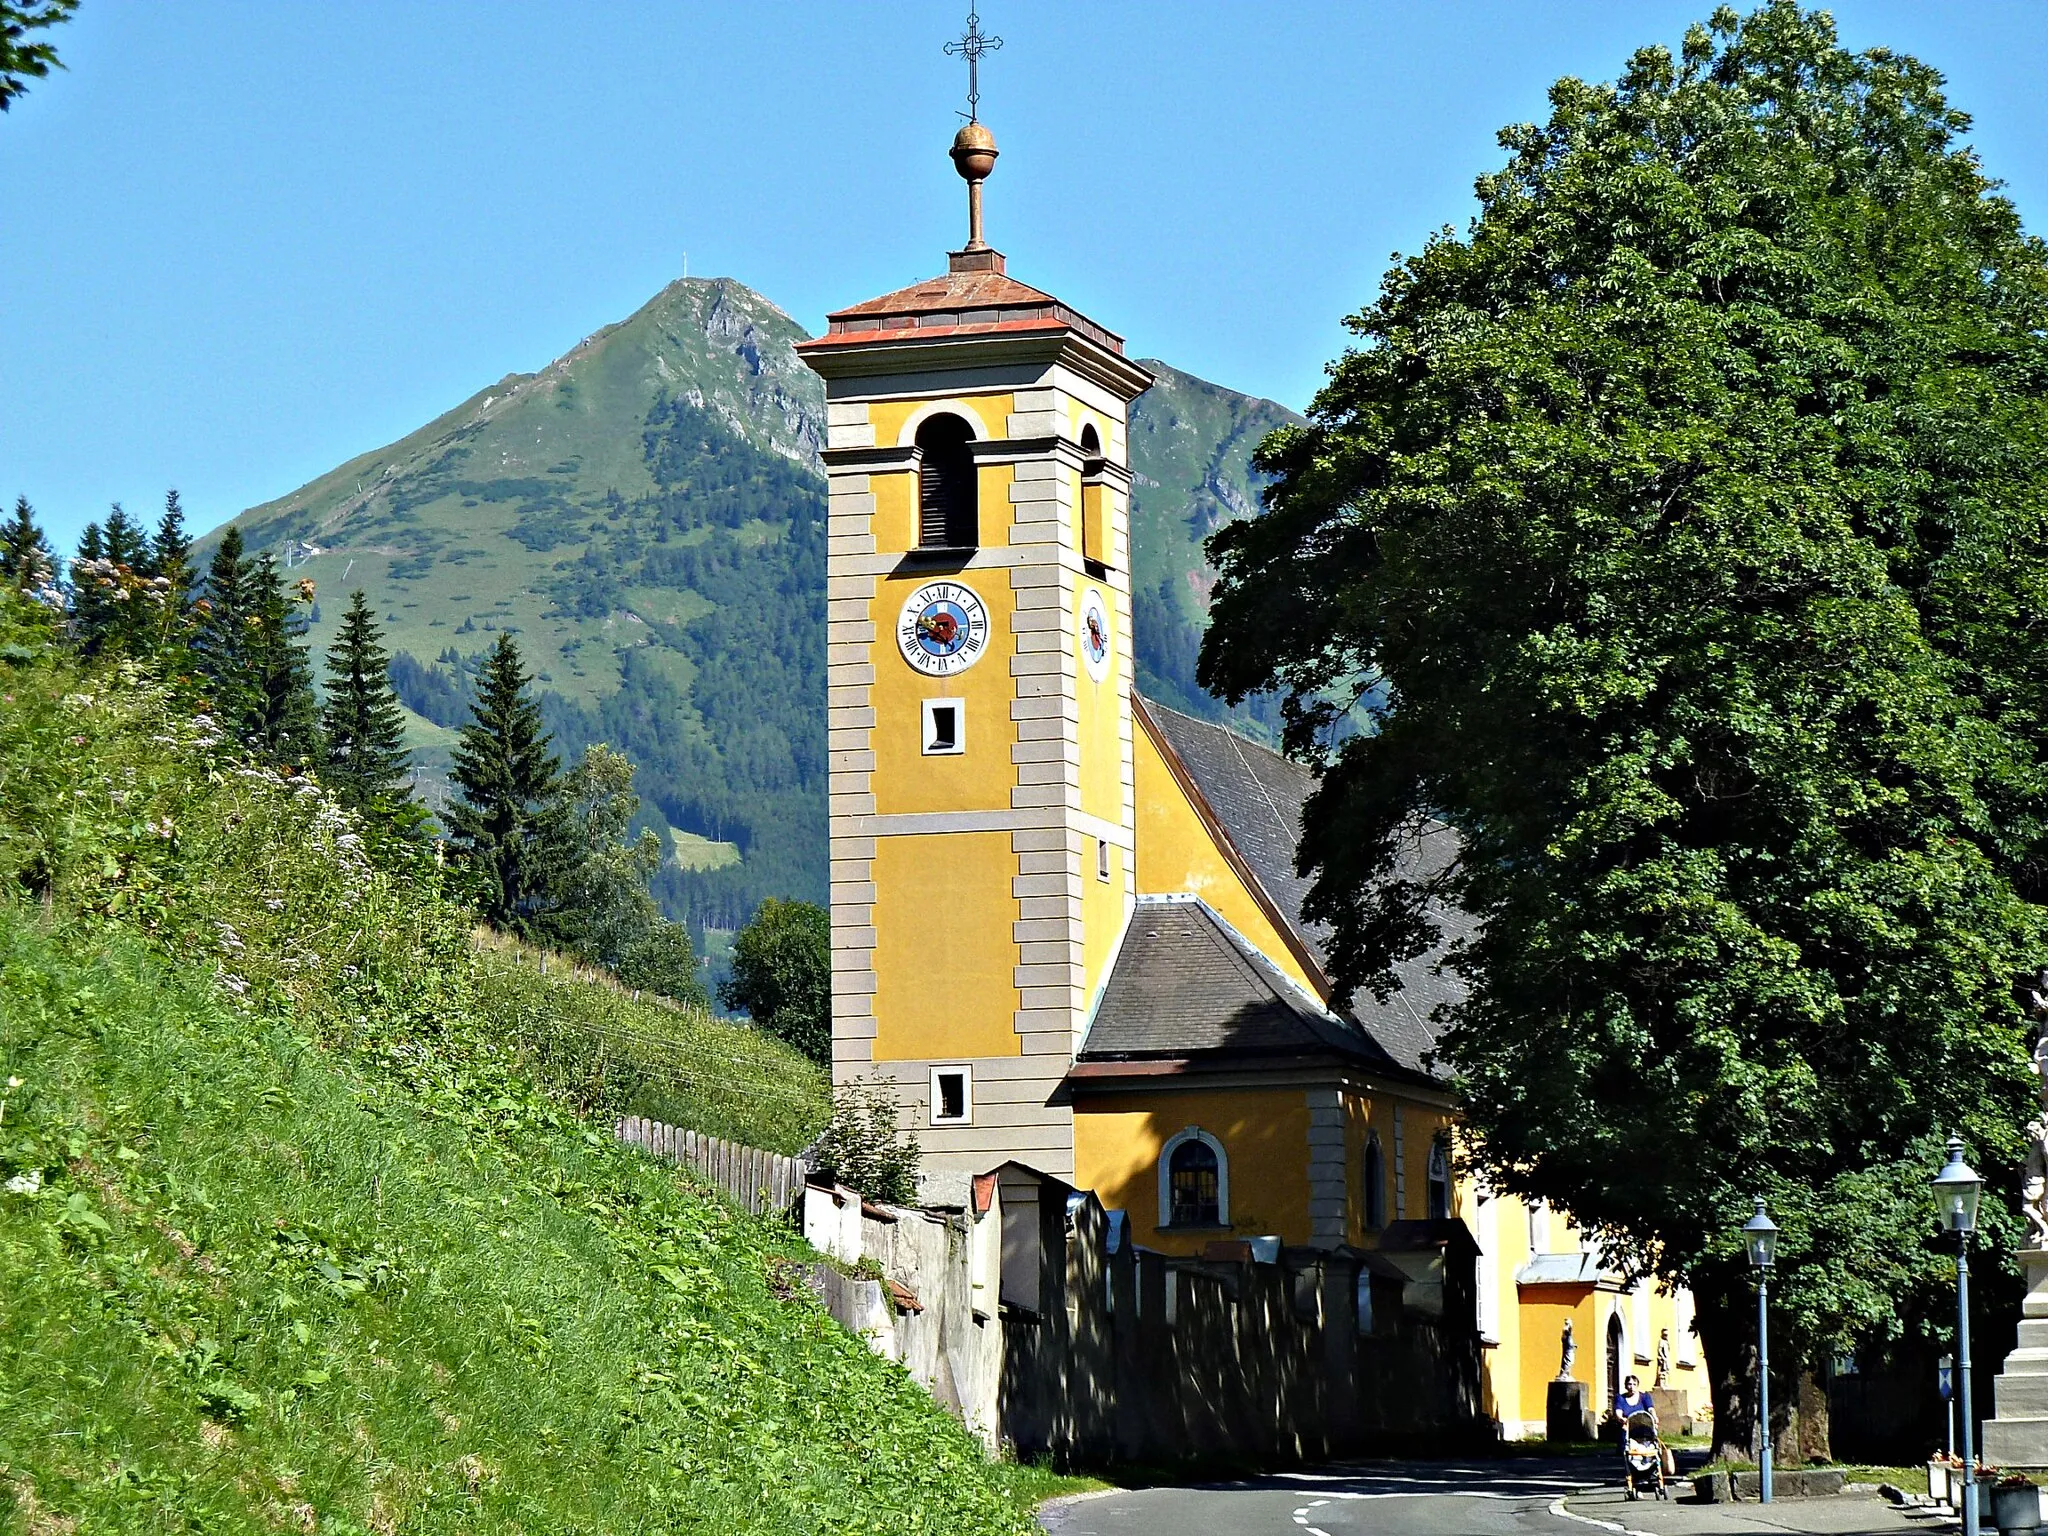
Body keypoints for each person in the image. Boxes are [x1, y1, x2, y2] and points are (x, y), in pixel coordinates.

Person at [1615, 1373, 1656, 1445]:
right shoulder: (1620, 1398)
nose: (1632, 1387)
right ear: (1625, 1386)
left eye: (1634, 1384)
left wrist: (1654, 1417)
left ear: (1637, 1385)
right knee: (1624, 1429)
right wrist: (1621, 1419)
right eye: (1629, 1384)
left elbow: (1650, 1409)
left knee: (1651, 1429)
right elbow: (1618, 1411)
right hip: (1628, 1425)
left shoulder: (1645, 1397)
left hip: (1643, 1425)